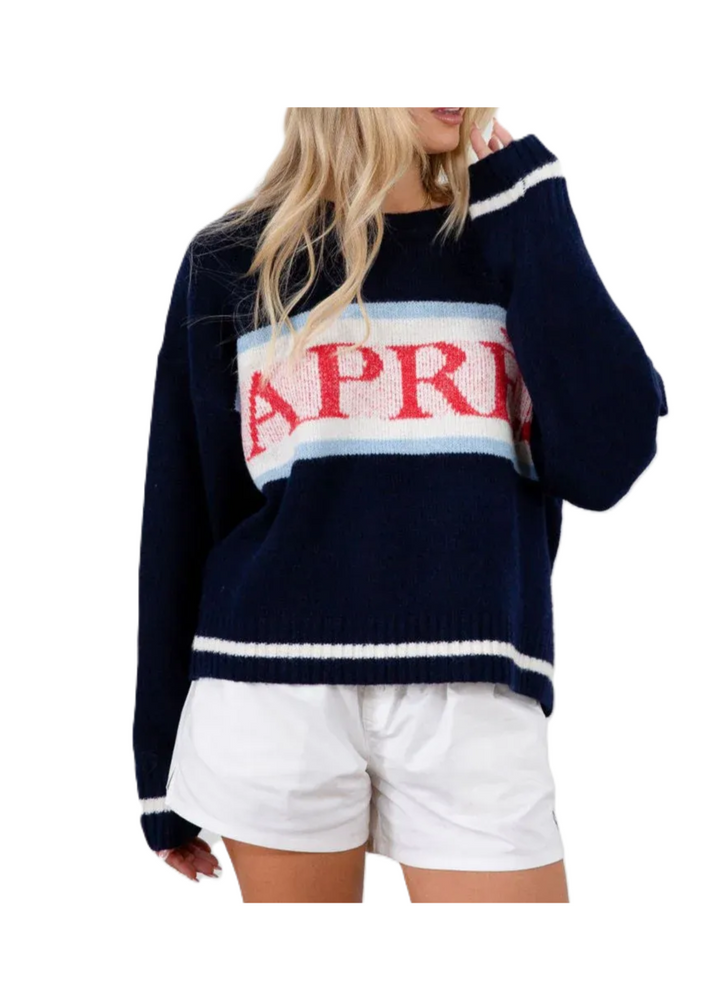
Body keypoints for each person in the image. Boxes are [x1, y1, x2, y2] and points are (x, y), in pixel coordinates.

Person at [132, 107, 669, 903]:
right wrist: (157, 768)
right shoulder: (235, 257)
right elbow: (182, 512)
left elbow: (606, 464)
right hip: (270, 694)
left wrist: (543, 225)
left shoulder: (509, 234)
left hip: (474, 687)